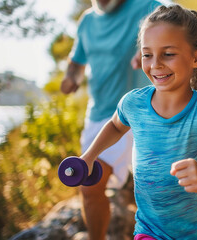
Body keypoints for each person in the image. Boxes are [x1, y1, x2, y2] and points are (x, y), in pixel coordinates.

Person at [78, 4, 197, 239]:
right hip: (149, 231)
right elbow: (114, 126)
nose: (155, 64)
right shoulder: (133, 103)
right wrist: (90, 156)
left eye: (168, 54)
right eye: (147, 54)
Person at [60, 0, 168, 239]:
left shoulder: (145, 7)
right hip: (97, 115)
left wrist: (149, 52)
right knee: (90, 190)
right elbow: (77, 63)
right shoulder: (87, 21)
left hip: (136, 111)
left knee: (91, 182)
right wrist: (71, 78)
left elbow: (173, 28)